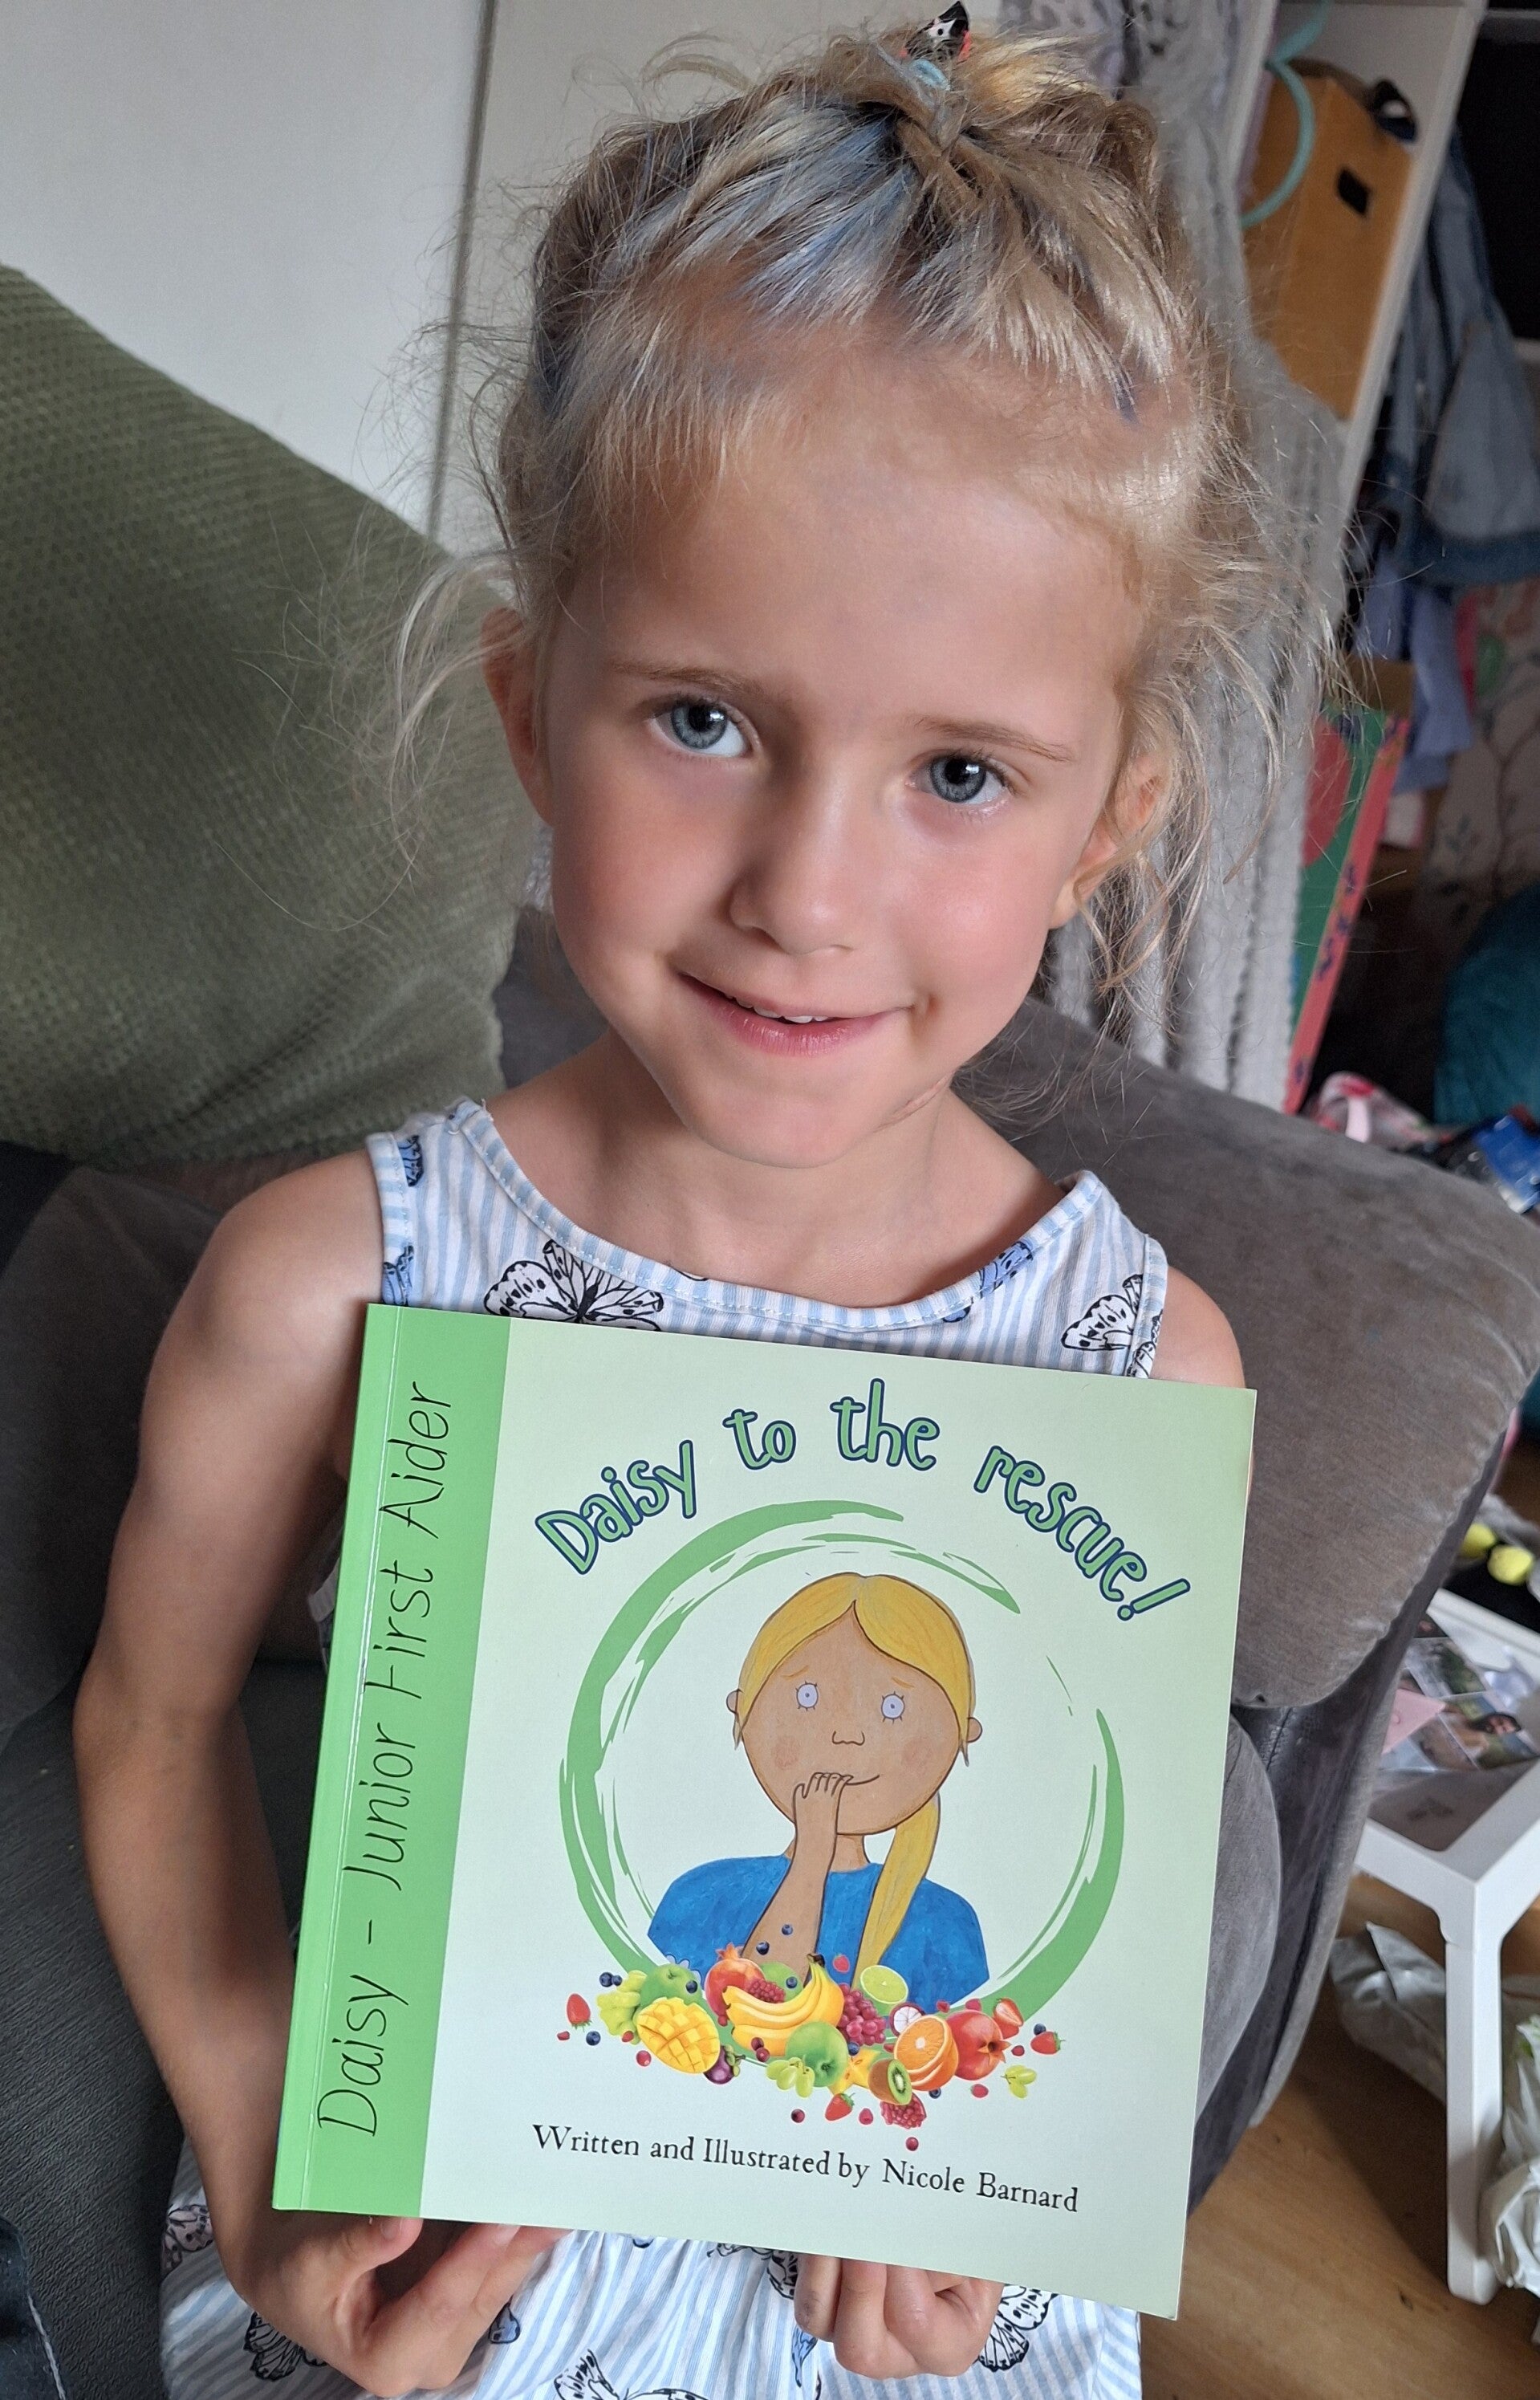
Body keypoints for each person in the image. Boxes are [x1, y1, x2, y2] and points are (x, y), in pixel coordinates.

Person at [73, 9, 1288, 2395]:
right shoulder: (331, 1285)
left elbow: (1051, 1928)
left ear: (1108, 822)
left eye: (960, 773)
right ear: (531, 712)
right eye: (705, 721)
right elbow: (152, 1713)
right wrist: (249, 2127)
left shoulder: (1147, 1374)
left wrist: (971, 2236)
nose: (804, 896)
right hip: (456, 2305)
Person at [650, 1572, 989, 2012]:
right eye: (807, 1696)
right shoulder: (699, 1900)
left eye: (893, 1707)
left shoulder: (946, 1926)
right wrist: (811, 1857)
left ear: (962, 1734)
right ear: (742, 1709)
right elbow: (748, 2017)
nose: (847, 1733)